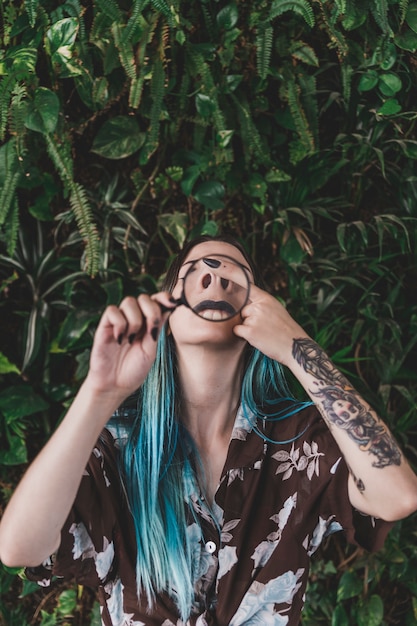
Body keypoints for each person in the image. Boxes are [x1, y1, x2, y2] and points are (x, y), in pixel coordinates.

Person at [0, 234, 416, 626]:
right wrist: (100, 392)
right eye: (195, 271)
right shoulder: (116, 449)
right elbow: (20, 546)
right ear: (167, 310)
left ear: (261, 310)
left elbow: (398, 496)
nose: (214, 277)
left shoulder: (302, 441)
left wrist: (296, 348)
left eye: (233, 274)